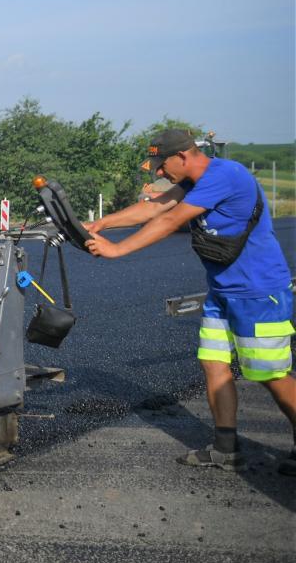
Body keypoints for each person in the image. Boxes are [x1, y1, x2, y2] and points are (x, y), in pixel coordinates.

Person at [86, 128, 295, 476]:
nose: (158, 172)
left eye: (161, 164)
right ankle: (226, 450)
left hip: (259, 293)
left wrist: (117, 249)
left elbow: (170, 220)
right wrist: (101, 224)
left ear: (182, 156)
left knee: (271, 374)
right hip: (222, 291)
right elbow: (154, 207)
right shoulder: (193, 183)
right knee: (213, 363)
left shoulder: (225, 175)